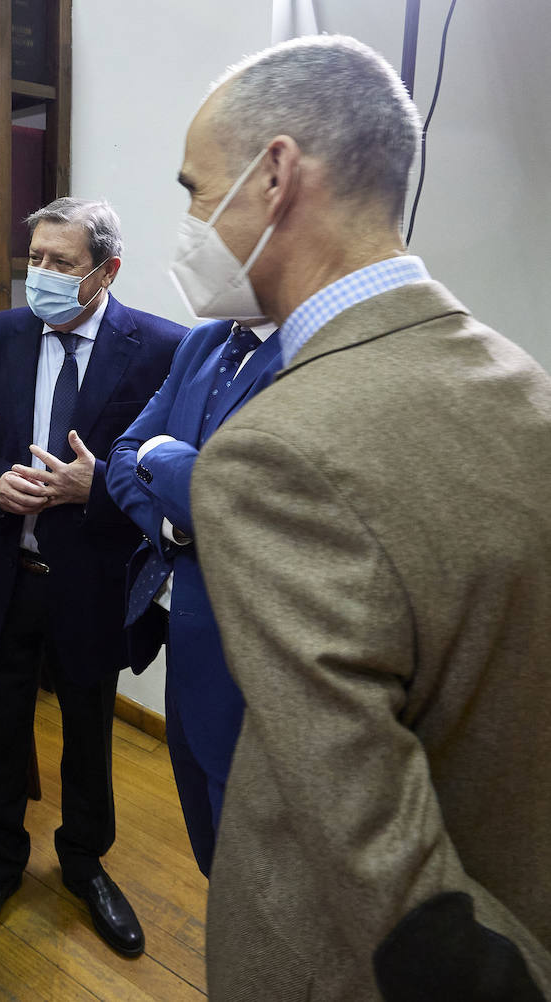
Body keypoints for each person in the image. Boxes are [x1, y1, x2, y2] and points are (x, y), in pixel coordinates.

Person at [178, 35, 551, 1000]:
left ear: (274, 175)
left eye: (194, 189)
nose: (188, 221)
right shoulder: (523, 382)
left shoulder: (272, 452)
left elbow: (380, 856)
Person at [0, 197, 184, 959]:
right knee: (0, 727)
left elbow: (167, 478)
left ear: (106, 271)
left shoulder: (161, 348)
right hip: (7, 573)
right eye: (34, 259)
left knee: (88, 730)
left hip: (92, 581)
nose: (39, 276)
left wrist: (96, 490)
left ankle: (84, 864)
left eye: (62, 264)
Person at [105, 309, 282, 876]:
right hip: (180, 622)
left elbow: (253, 508)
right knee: (209, 846)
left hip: (251, 654)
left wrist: (163, 456)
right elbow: (121, 456)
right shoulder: (205, 341)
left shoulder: (317, 354)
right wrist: (177, 523)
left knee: (254, 864)